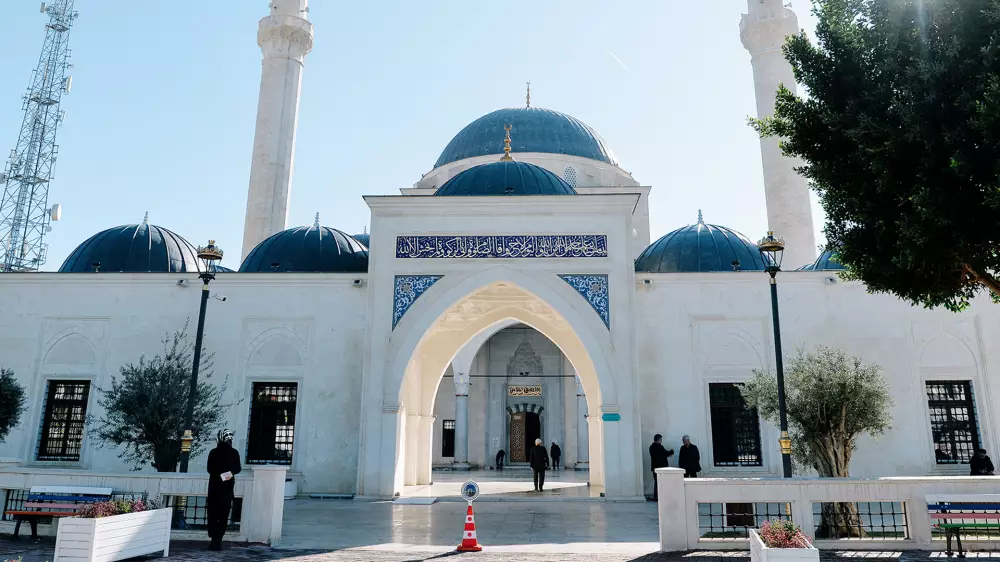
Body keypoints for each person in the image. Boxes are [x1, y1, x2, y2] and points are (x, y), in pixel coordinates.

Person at [206, 429, 242, 551]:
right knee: (223, 515)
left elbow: (210, 469)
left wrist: (219, 476)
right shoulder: (234, 453)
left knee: (212, 514)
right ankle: (218, 540)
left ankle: (213, 539)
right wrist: (226, 476)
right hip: (227, 489)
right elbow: (237, 469)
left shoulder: (213, 452)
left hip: (214, 489)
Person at [648, 433, 675, 501]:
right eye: (661, 439)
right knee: (662, 482)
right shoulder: (659, 447)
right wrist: (671, 452)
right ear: (659, 440)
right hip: (661, 468)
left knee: (656, 482)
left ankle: (656, 496)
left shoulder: (651, 447)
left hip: (654, 467)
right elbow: (665, 454)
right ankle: (661, 496)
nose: (661, 441)